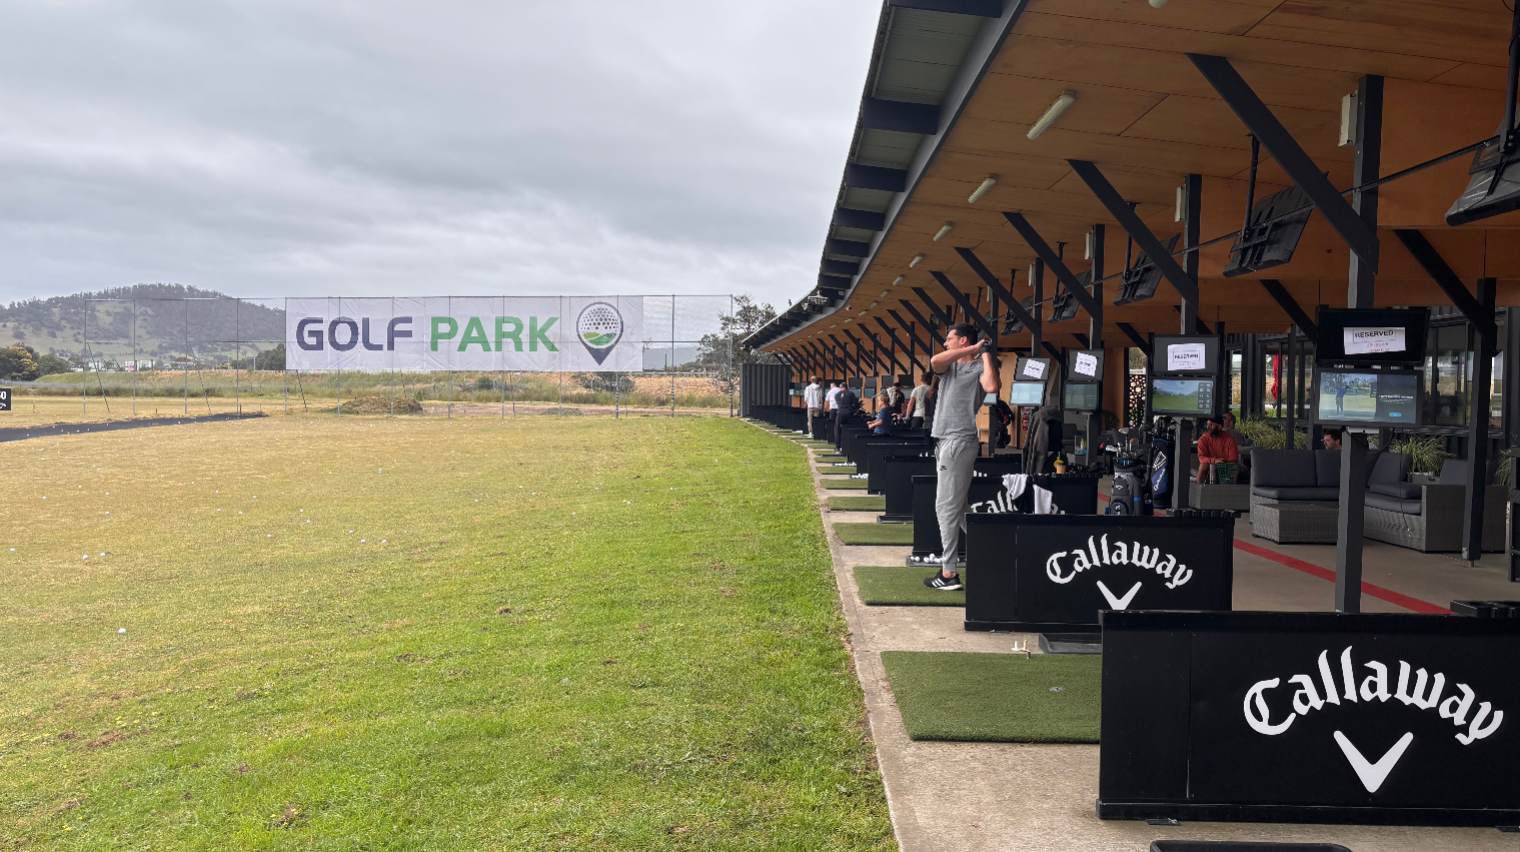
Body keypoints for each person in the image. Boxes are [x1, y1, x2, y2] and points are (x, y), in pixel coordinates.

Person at [924, 322, 1000, 591]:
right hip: (946, 442)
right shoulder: (950, 367)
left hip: (958, 442)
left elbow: (991, 387)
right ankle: (996, 549)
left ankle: (948, 574)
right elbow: (935, 360)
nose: (946, 343)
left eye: (949, 339)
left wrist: (985, 352)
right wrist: (973, 348)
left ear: (963, 339)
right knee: (959, 509)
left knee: (945, 508)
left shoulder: (980, 367)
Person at [1196, 416, 1241, 483]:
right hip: (1209, 464)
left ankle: (1232, 490)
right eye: (1207, 424)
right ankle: (1200, 488)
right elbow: (1201, 458)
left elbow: (1234, 459)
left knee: (1236, 467)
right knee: (1203, 465)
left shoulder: (1230, 440)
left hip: (1225, 465)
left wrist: (1222, 463)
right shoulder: (1203, 439)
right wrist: (1215, 461)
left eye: (1211, 424)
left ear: (1219, 427)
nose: (1208, 427)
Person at [833, 382, 860, 453]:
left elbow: (841, 403)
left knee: (838, 430)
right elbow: (855, 404)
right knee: (849, 429)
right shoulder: (851, 394)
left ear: (840, 388)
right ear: (847, 388)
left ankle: (838, 447)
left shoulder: (836, 395)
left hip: (840, 414)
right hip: (849, 414)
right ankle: (848, 446)